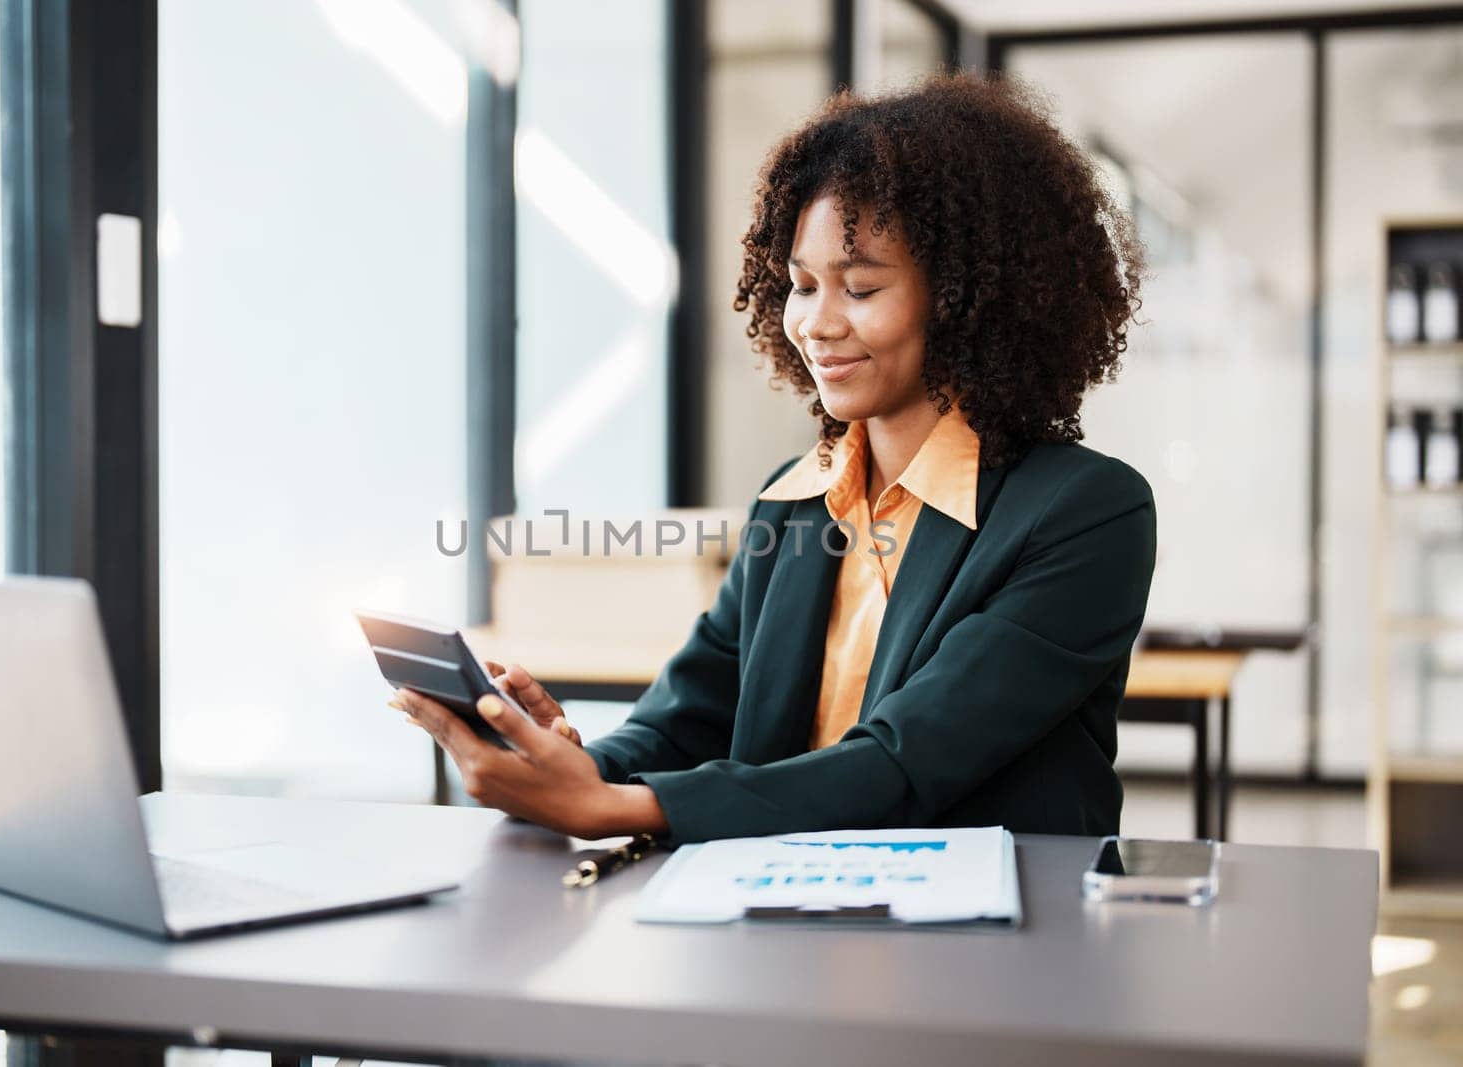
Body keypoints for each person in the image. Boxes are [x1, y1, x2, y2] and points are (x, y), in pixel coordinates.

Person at [395, 73, 1156, 845]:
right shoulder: (793, 501)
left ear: (967, 299)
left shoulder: (1086, 511)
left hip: (998, 939)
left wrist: (618, 808)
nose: (816, 323)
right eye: (799, 285)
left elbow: (905, 762)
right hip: (788, 924)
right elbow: (686, 720)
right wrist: (573, 766)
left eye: (860, 288)